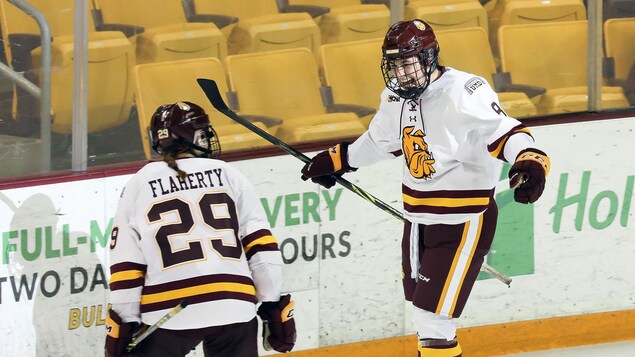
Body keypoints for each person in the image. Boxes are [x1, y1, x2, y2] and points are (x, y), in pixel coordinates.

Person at [300, 20, 550, 356]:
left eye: (407, 63)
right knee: (423, 316)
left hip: (463, 221)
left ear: (429, 56)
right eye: (395, 66)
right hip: (416, 221)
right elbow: (379, 141)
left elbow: (506, 132)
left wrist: (530, 159)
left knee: (432, 318)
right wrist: (340, 159)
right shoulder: (393, 98)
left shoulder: (465, 91)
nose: (401, 73)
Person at [105, 101, 296, 357]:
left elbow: (126, 262)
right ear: (192, 136)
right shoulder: (229, 174)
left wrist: (125, 320)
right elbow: (261, 246)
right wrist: (271, 302)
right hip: (233, 304)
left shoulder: (139, 183)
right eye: (203, 133)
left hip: (168, 312)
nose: (207, 139)